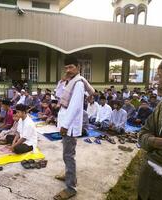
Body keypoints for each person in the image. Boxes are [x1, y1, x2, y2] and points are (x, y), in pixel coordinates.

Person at [55, 56, 94, 200]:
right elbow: (58, 95)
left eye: (71, 67)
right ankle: (68, 174)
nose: (68, 70)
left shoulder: (78, 83)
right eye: (66, 68)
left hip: (70, 126)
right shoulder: (70, 82)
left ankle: (71, 188)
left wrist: (65, 126)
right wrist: (62, 81)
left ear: (78, 67)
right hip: (66, 124)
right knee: (67, 152)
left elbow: (75, 106)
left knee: (68, 155)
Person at [138, 55, 162, 200]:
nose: (156, 82)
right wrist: (155, 142)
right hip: (148, 179)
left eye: (160, 76)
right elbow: (143, 133)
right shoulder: (161, 107)